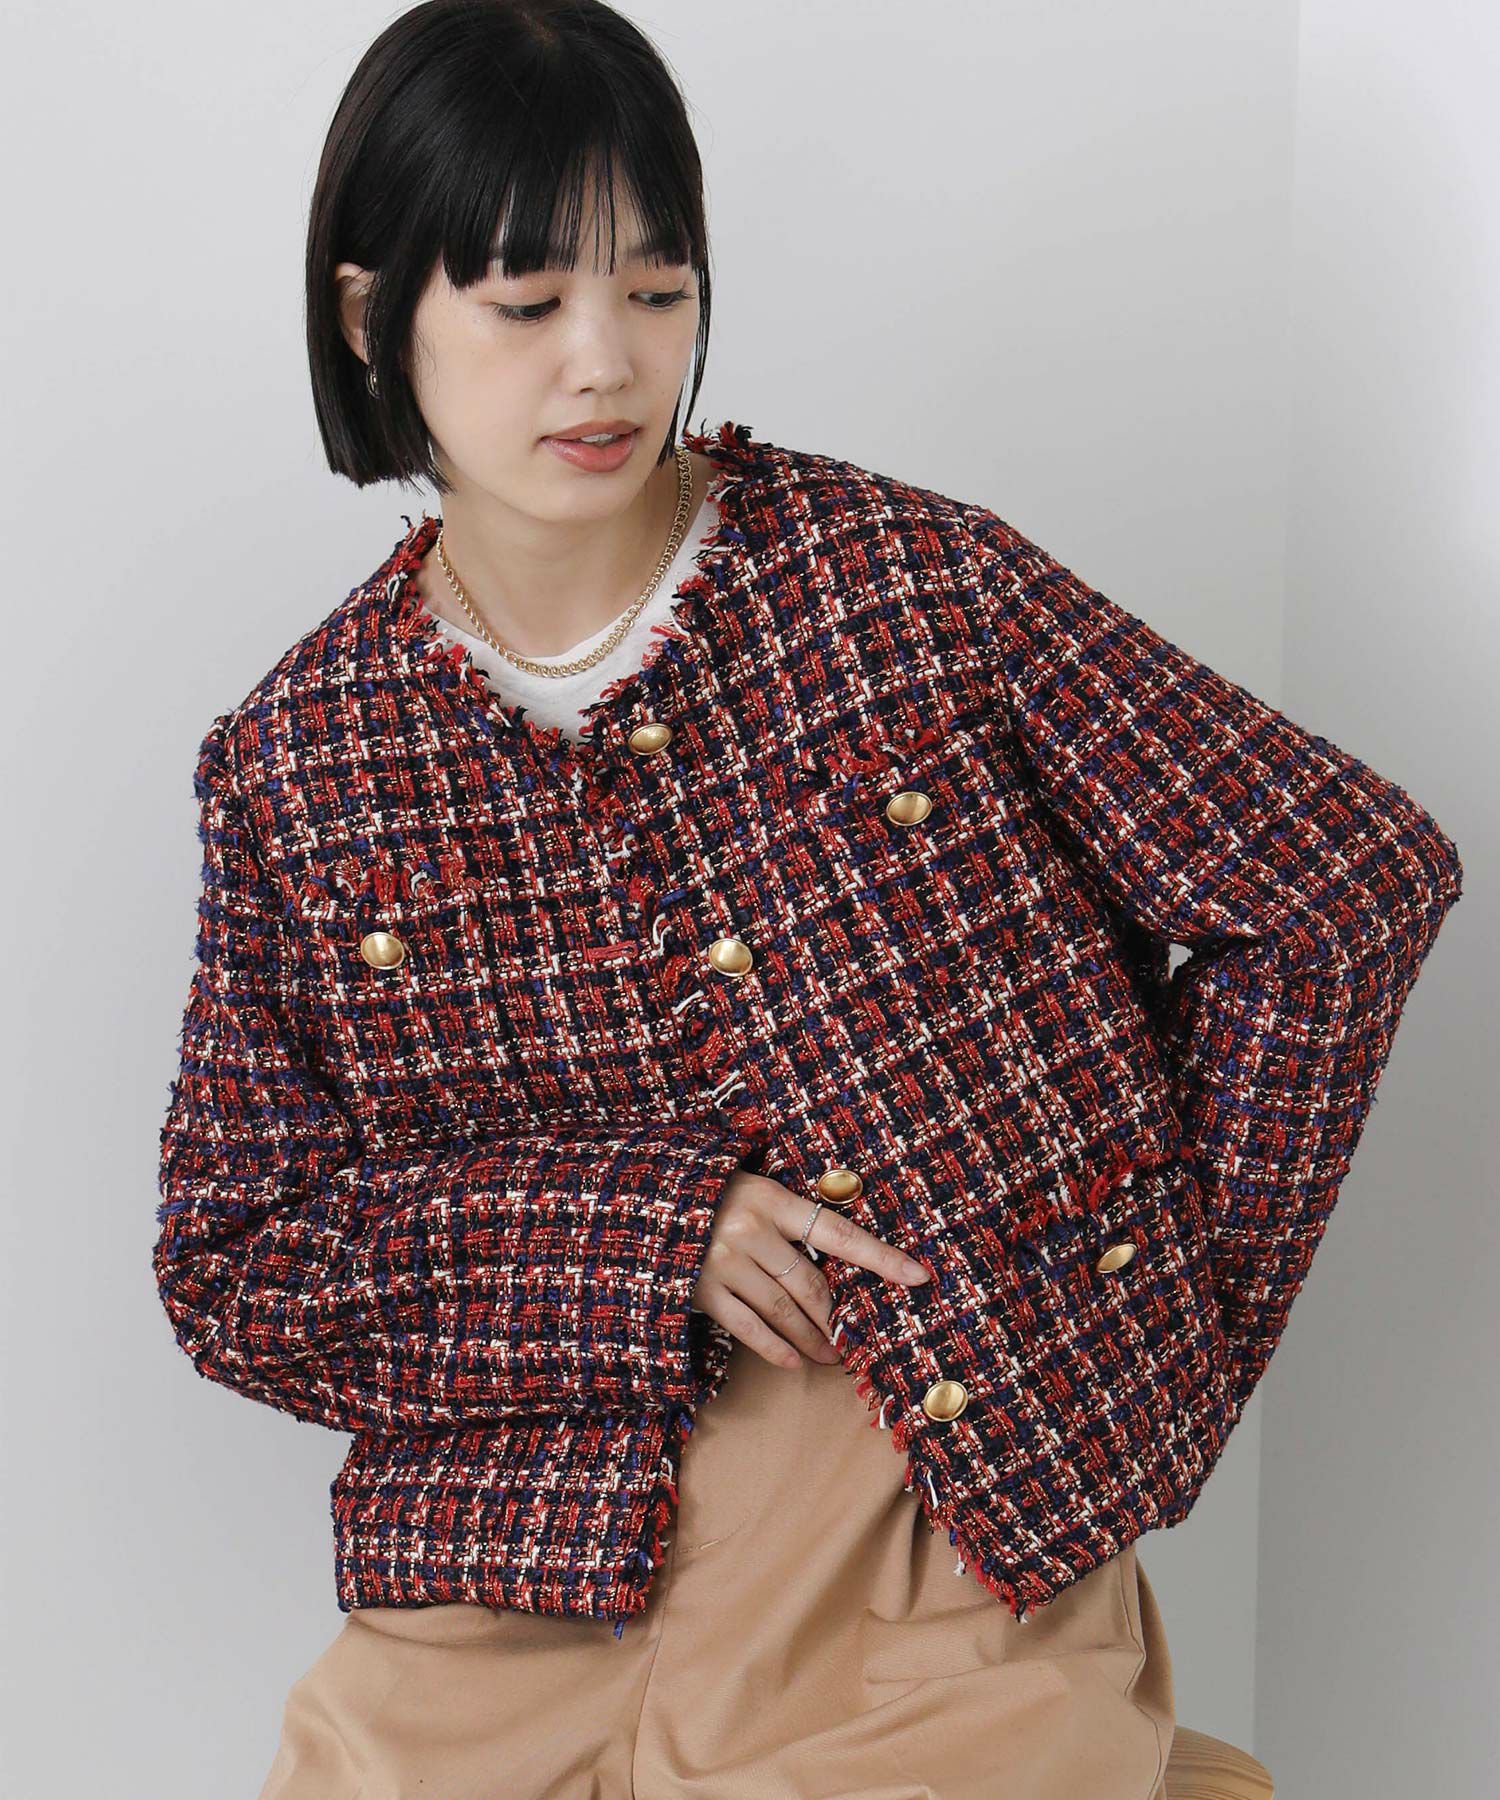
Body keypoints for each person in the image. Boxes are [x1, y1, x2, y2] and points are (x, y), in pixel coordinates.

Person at [154, 4, 1461, 1798]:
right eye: (527, 305)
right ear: (375, 319)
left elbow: (1342, 888)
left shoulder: (900, 588)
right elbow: (238, 1263)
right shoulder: (298, 757)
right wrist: (639, 1240)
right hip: (496, 1590)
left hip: (928, 1525)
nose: (606, 364)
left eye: (658, 289)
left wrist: (1146, 1324)